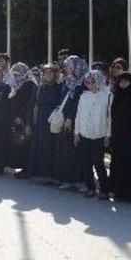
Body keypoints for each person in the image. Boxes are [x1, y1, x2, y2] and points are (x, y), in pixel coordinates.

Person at [74, 70, 112, 199]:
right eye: (87, 82)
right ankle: (91, 188)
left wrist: (108, 135)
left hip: (99, 134)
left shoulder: (107, 96)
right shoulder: (83, 96)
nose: (90, 84)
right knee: (86, 162)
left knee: (98, 162)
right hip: (84, 133)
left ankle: (104, 190)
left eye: (93, 81)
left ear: (99, 81)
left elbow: (109, 118)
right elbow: (78, 115)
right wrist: (76, 133)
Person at [53, 55, 87, 190]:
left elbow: (79, 103)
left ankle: (81, 181)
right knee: (66, 150)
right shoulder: (67, 82)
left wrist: (70, 118)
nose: (65, 68)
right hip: (65, 119)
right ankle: (68, 179)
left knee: (77, 150)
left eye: (68, 65)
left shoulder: (83, 83)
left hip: (78, 121)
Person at [110, 71, 131, 202]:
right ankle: (118, 191)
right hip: (118, 135)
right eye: (121, 81)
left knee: (130, 164)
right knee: (118, 163)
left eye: (126, 81)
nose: (123, 84)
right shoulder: (116, 95)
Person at [27, 64, 63, 182]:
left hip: (53, 122)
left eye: (50, 73)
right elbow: (32, 105)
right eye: (45, 73)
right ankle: (39, 173)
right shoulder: (38, 88)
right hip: (40, 121)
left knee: (52, 148)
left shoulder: (59, 88)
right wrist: (29, 123)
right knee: (40, 147)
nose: (48, 75)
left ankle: (51, 175)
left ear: (54, 74)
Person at [8, 63, 37, 177]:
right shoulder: (18, 84)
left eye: (18, 74)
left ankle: (27, 170)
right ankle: (22, 168)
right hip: (17, 119)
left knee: (26, 145)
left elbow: (28, 104)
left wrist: (22, 117)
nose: (16, 77)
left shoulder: (29, 85)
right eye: (14, 75)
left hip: (25, 119)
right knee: (20, 143)